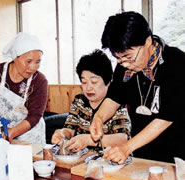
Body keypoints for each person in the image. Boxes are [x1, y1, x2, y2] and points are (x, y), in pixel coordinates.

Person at [90, 11, 185, 164]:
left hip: (177, 158)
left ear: (148, 41)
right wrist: (99, 118)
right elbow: (114, 97)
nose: (124, 64)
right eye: (118, 58)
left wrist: (126, 148)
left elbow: (167, 117)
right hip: (142, 155)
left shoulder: (177, 63)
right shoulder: (125, 66)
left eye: (128, 57)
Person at [51, 49, 131, 152]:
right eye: (84, 82)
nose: (88, 88)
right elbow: (69, 129)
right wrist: (61, 133)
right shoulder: (79, 101)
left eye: (94, 82)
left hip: (111, 161)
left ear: (108, 82)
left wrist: (89, 140)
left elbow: (122, 139)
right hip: (82, 160)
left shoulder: (116, 103)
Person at [0, 32, 48, 145]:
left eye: (38, 62)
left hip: (31, 136)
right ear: (15, 57)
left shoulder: (40, 81)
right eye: (28, 61)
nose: (33, 67)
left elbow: (35, 115)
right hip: (4, 134)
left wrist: (13, 132)